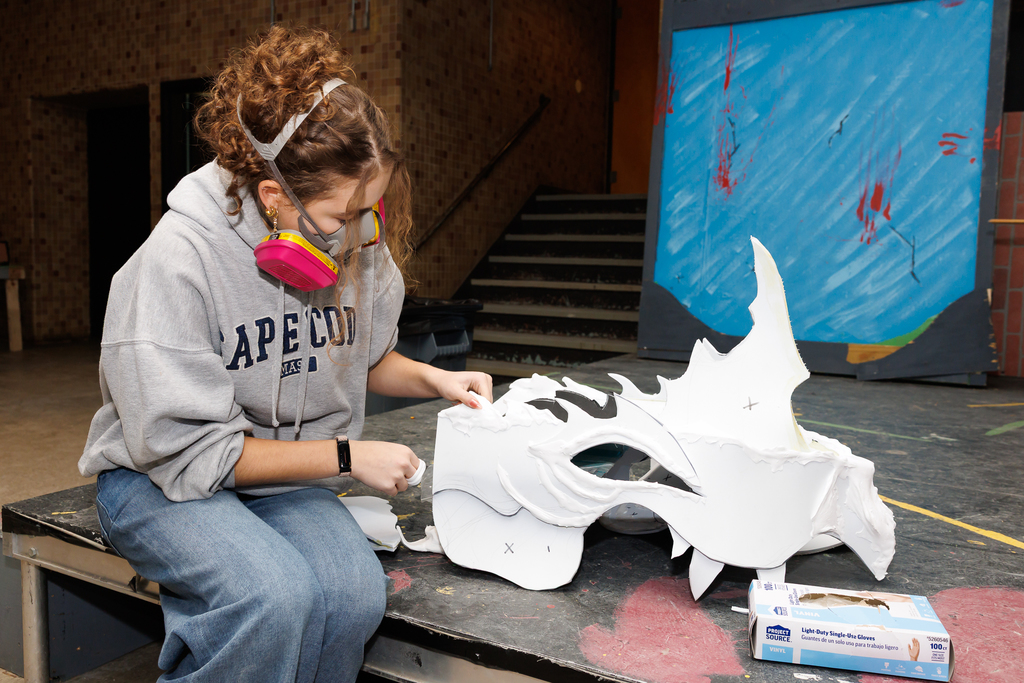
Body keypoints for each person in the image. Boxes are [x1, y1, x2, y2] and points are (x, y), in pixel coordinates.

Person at [79, 25, 492, 682]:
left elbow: (358, 355)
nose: (360, 232)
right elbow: (194, 455)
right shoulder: (175, 266)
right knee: (273, 597)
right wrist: (350, 457)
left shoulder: (351, 234)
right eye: (341, 214)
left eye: (370, 207)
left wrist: (437, 379)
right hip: (158, 480)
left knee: (350, 595)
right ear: (275, 198)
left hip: (276, 473)